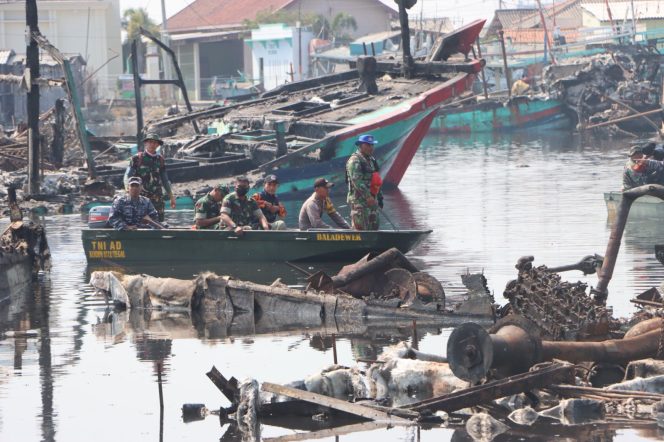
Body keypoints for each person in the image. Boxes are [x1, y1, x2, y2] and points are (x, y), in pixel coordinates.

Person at [124, 133, 175, 222]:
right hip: (140, 196)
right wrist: (127, 190)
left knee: (159, 221)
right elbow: (127, 176)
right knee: (140, 220)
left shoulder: (160, 160)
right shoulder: (137, 158)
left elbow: (165, 179)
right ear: (146, 143)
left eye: (155, 143)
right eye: (150, 142)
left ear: (158, 145)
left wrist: (171, 196)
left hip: (157, 197)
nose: (153, 144)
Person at [346, 133, 383, 230]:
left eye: (372, 145)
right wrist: (368, 197)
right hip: (360, 201)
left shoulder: (371, 160)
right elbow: (357, 181)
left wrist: (379, 197)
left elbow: (376, 179)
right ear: (360, 146)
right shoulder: (355, 160)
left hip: (372, 201)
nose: (370, 147)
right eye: (367, 145)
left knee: (374, 226)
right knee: (361, 228)